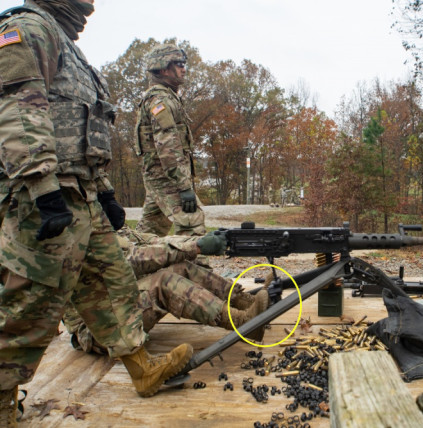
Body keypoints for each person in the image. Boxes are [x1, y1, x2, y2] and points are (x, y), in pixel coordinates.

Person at [0, 1, 193, 424]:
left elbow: (82, 131)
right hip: (45, 196)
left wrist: (104, 190)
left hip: (83, 194)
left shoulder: (70, 48)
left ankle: (142, 370)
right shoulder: (29, 30)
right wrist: (41, 184)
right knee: (28, 307)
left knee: (113, 287)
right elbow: (18, 107)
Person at [63, 227, 270, 354]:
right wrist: (196, 247)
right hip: (99, 330)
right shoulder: (76, 232)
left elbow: (155, 242)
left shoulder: (97, 222)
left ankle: (246, 303)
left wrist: (196, 243)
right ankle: (243, 323)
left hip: (115, 306)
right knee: (164, 282)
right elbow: (132, 261)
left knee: (183, 267)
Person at [134, 43, 206, 237]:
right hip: (166, 177)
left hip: (160, 176)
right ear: (164, 69)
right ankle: (195, 267)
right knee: (191, 223)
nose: (184, 69)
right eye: (179, 64)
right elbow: (167, 146)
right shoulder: (161, 100)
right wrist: (183, 186)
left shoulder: (167, 97)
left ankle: (129, 262)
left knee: (151, 231)